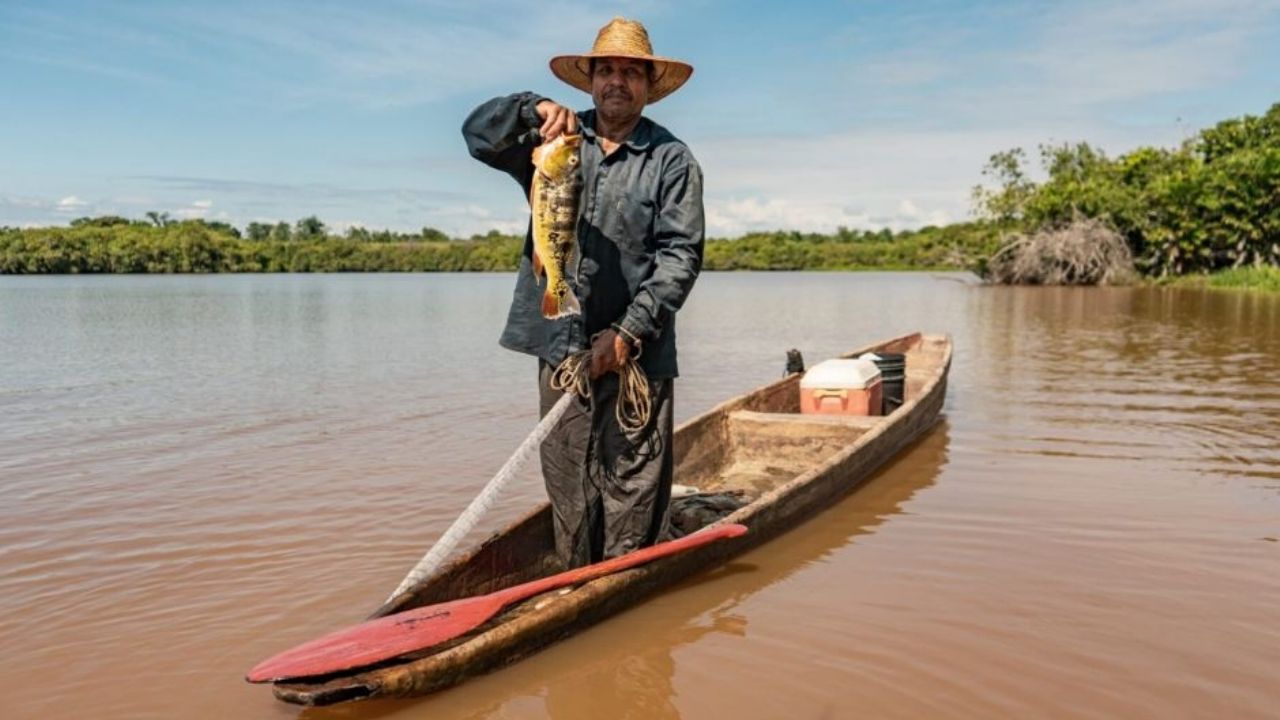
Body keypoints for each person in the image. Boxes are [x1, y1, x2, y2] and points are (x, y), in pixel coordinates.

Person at [462, 17, 704, 569]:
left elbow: (680, 257)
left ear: (647, 85)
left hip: (637, 350)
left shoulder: (671, 160)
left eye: (630, 72)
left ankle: (623, 585)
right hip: (560, 341)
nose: (617, 81)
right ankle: (577, 576)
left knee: (633, 479)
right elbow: (476, 135)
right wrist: (530, 110)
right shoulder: (553, 143)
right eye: (606, 70)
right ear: (589, 80)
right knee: (569, 473)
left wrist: (627, 333)